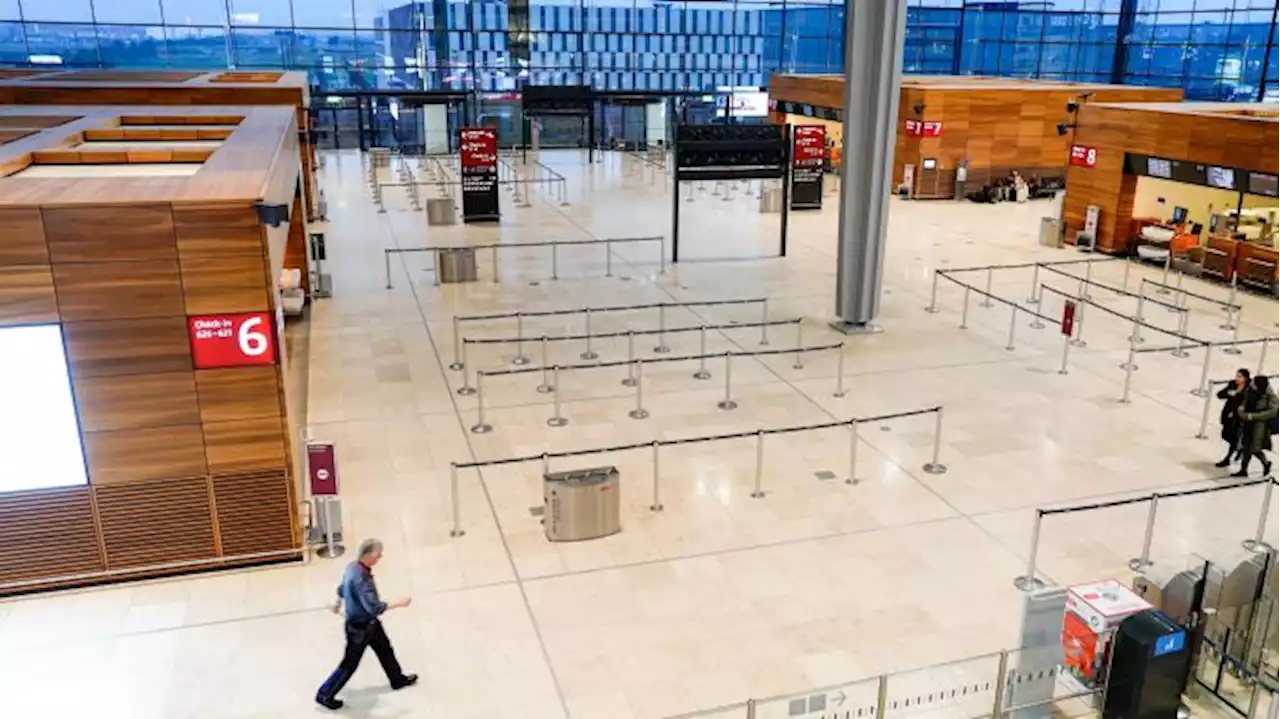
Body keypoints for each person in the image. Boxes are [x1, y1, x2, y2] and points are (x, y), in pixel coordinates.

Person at [316, 538, 417, 710]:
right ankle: (325, 694)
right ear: (369, 555)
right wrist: (399, 602)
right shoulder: (361, 579)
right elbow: (373, 607)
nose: (380, 558)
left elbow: (342, 589)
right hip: (360, 628)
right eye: (378, 555)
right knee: (349, 664)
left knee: (385, 650)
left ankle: (397, 679)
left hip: (368, 624)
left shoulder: (352, 567)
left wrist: (337, 602)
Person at [1234, 375, 1278, 478]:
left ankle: (1266, 463)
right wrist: (1242, 408)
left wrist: (1253, 416)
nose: (1252, 384)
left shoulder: (1270, 396)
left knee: (1255, 448)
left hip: (1259, 425)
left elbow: (1273, 412)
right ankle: (1243, 470)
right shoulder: (1250, 390)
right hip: (1247, 423)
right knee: (1246, 447)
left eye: (1254, 382)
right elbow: (1245, 400)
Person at [1215, 368, 1251, 468]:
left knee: (1234, 437)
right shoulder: (1232, 384)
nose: (1237, 378)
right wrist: (1229, 393)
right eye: (1236, 376)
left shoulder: (1249, 389)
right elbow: (1219, 394)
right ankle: (1239, 448)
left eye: (1240, 376)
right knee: (1225, 434)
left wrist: (1237, 396)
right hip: (1228, 414)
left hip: (1239, 417)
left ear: (1245, 378)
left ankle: (1228, 458)